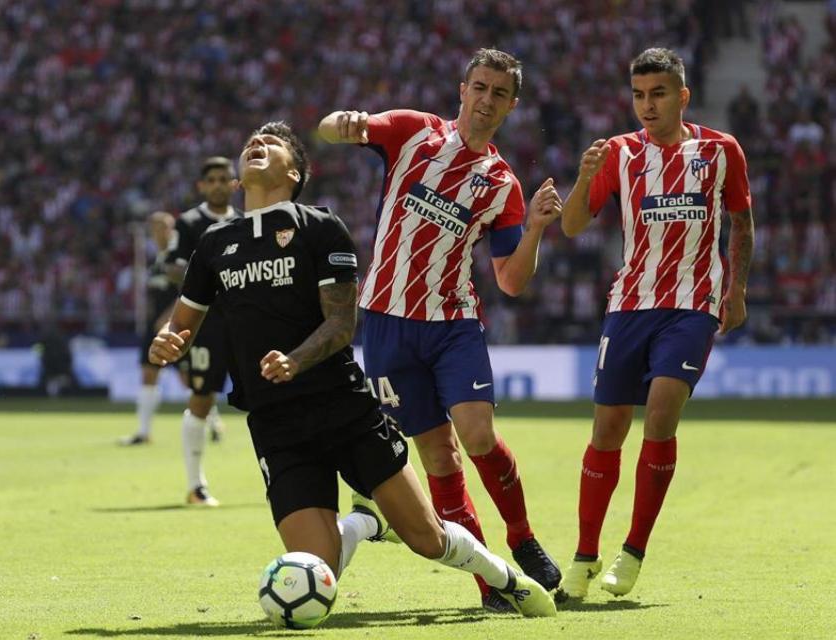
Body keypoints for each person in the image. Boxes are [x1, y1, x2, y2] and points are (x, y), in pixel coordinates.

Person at [148, 121, 556, 618]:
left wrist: (295, 360)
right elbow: (184, 322)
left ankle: (504, 577)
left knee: (427, 539)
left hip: (342, 407)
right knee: (317, 569)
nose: (256, 144)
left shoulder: (319, 227)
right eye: (250, 141)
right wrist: (168, 340)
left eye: (271, 143)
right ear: (237, 181)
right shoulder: (214, 244)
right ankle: (365, 523)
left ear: (294, 173)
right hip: (274, 422)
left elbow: (342, 323)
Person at [318, 48, 562, 611]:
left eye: (499, 94)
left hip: (453, 324)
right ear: (463, 89)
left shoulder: (502, 184)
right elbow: (338, 128)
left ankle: (522, 538)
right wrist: (343, 123)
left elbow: (511, 281)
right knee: (439, 458)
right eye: (480, 87)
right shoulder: (411, 134)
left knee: (477, 435)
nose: (487, 100)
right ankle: (490, 583)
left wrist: (537, 231)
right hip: (384, 324)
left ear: (511, 105)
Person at [558, 47, 754, 599]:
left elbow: (742, 222)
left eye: (659, 93)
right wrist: (583, 177)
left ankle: (634, 551)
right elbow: (572, 227)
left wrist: (735, 291)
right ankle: (584, 556)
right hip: (629, 305)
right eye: (640, 95)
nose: (647, 105)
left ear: (682, 96)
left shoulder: (720, 150)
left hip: (693, 303)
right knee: (607, 430)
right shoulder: (618, 154)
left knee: (661, 413)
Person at [165, 157, 240, 506]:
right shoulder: (190, 223)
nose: (218, 184)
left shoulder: (245, 223)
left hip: (244, 323)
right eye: (211, 179)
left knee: (268, 399)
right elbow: (171, 266)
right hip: (206, 326)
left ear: (235, 184)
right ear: (201, 186)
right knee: (202, 397)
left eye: (224, 178)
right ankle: (196, 486)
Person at [119, 211, 188, 446]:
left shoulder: (177, 259)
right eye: (156, 227)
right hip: (155, 325)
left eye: (165, 227)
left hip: (175, 325)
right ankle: (143, 431)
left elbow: (187, 291)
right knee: (148, 374)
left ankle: (212, 421)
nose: (161, 231)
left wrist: (169, 318)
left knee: (189, 380)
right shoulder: (155, 261)